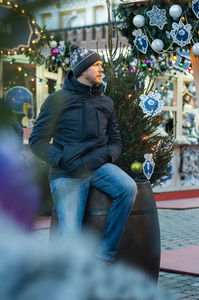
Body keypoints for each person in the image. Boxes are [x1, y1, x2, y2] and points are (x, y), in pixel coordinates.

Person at [29, 44, 137, 262]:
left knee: (128, 188)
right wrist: (62, 160)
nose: (101, 69)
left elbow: (116, 141)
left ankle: (104, 256)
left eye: (101, 65)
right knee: (70, 235)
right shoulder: (57, 100)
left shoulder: (106, 102)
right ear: (82, 70)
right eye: (96, 65)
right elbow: (36, 141)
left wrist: (104, 157)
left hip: (98, 167)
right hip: (67, 173)